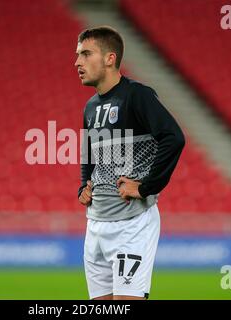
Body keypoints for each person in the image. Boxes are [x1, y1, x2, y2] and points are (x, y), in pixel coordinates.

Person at [75, 26, 185, 300]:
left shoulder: (138, 95)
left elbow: (174, 138)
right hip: (96, 223)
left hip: (131, 223)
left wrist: (146, 187)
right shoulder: (90, 107)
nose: (77, 62)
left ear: (110, 58)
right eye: (78, 55)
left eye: (86, 54)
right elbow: (89, 152)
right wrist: (83, 186)